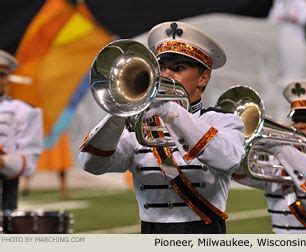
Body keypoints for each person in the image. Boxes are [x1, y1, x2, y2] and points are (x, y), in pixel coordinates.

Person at [78, 21, 245, 234]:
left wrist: (171, 111)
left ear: (203, 77)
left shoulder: (222, 121)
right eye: (162, 67)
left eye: (178, 68)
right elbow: (91, 163)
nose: (165, 75)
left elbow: (227, 161)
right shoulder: (139, 125)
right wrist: (121, 109)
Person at [233, 81, 306, 233]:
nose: (299, 126)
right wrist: (238, 147)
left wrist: (281, 149)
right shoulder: (283, 155)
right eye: (296, 120)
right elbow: (245, 175)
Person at [0, 50, 43, 211]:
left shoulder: (24, 111)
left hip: (4, 191)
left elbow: (29, 164)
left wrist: (4, 161)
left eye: (0, 75)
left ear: (6, 78)